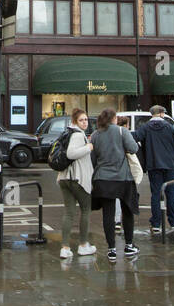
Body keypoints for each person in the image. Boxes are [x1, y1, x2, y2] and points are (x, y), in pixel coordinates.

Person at [89, 108, 140, 262]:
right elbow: (134, 148)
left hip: (103, 178)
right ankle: (129, 245)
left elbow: (92, 158)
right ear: (113, 118)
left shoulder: (96, 135)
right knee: (127, 211)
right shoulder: (121, 132)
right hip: (123, 177)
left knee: (108, 214)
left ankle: (111, 248)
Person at [138, 105, 174, 235]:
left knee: (156, 194)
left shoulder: (145, 128)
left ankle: (156, 223)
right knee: (171, 193)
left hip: (153, 165)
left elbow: (135, 138)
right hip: (170, 164)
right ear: (161, 113)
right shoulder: (169, 127)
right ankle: (173, 222)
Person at [56, 108, 96, 258]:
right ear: (75, 122)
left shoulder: (67, 133)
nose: (85, 122)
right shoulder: (78, 135)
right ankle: (83, 245)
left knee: (69, 212)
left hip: (64, 178)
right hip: (77, 179)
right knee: (86, 209)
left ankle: (65, 248)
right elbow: (71, 154)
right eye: (81, 120)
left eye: (86, 120)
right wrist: (88, 147)